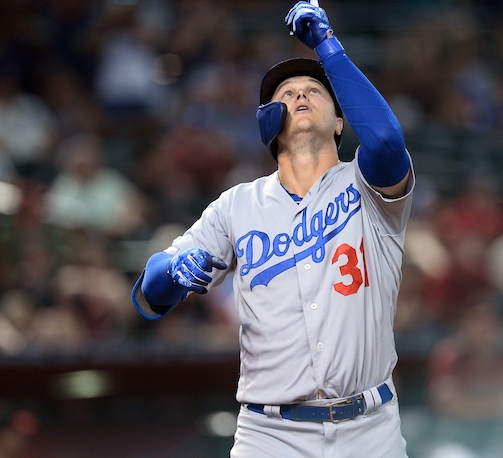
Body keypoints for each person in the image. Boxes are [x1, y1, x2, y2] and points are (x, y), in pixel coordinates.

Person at [131, 1, 414, 456]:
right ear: (269, 123)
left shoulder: (368, 185)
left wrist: (327, 46)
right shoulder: (238, 205)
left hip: (370, 430)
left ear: (341, 121)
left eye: (315, 91)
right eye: (287, 93)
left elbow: (385, 140)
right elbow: (149, 296)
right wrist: (172, 269)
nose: (301, 94)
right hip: (271, 436)